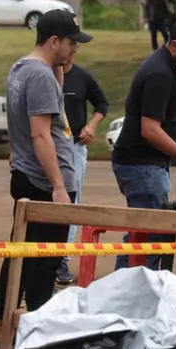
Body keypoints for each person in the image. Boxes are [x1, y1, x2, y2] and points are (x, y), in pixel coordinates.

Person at [0, 9, 92, 347]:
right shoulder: (40, 76)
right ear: (53, 41)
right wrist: (59, 187)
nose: (75, 49)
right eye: (71, 43)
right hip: (44, 181)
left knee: (20, 251)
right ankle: (38, 328)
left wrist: (59, 69)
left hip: (27, 174)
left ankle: (4, 320)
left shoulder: (24, 67)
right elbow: (40, 135)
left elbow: (54, 106)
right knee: (44, 259)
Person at [111, 18, 176, 272]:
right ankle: (128, 297)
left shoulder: (166, 67)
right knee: (148, 238)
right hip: (142, 166)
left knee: (145, 235)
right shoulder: (159, 73)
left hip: (146, 165)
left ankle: (130, 295)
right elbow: (149, 130)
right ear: (175, 45)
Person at [55, 50, 109, 285]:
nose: (68, 53)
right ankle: (40, 255)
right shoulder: (43, 75)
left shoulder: (82, 77)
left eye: (72, 48)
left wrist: (92, 126)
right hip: (48, 144)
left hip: (75, 146)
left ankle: (62, 258)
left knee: (72, 201)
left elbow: (102, 104)